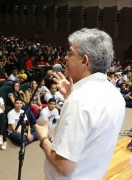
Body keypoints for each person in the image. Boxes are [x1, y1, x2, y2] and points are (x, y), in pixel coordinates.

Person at [35, 28, 125, 179]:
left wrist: (43, 138)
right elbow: (92, 131)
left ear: (84, 60)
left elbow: (64, 167)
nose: (65, 57)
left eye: (70, 53)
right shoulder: (115, 94)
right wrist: (72, 94)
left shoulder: (79, 101)